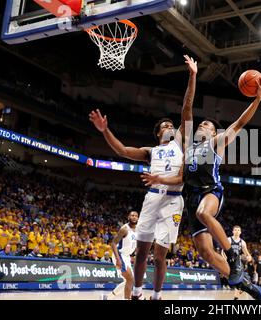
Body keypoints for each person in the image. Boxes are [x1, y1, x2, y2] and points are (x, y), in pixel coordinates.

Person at [144, 66, 261, 300]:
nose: (203, 125)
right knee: (206, 253)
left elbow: (239, 124)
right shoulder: (188, 146)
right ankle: (244, 284)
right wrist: (192, 76)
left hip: (211, 193)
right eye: (202, 124)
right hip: (191, 199)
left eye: (208, 126)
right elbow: (187, 108)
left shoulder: (216, 143)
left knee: (204, 213)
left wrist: (257, 100)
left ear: (214, 133)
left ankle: (233, 255)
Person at [90, 56, 196, 300]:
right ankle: (137, 294)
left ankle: (157, 296)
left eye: (172, 124)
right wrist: (105, 130)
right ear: (159, 133)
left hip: (173, 200)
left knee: (160, 255)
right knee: (141, 251)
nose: (171, 126)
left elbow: (187, 108)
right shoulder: (151, 151)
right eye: (166, 125)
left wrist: (192, 75)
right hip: (152, 199)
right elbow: (122, 151)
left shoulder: (181, 141)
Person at [102, 211, 138, 300]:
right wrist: (118, 259)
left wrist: (135, 255)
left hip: (127, 256)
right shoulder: (124, 229)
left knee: (129, 280)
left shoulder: (137, 230)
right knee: (130, 279)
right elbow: (113, 243)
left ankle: (108, 297)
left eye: (136, 216)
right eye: (132, 215)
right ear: (128, 217)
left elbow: (134, 244)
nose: (134, 217)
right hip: (120, 255)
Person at [221, 226, 252, 300]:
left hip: (237, 262)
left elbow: (247, 254)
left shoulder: (242, 242)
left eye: (238, 230)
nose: (237, 231)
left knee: (238, 279)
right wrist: (224, 259)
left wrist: (249, 257)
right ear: (233, 231)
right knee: (227, 276)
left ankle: (236, 296)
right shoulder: (229, 240)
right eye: (235, 230)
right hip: (229, 260)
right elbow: (223, 251)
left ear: (240, 232)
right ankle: (240, 287)